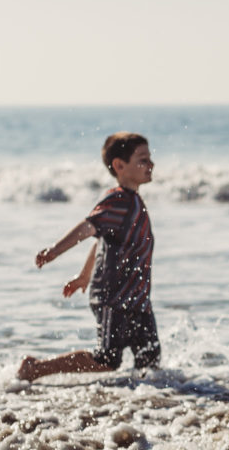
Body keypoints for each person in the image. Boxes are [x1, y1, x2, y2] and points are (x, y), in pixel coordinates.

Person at [17, 132, 159, 381]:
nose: (151, 165)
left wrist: (84, 276)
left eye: (150, 159)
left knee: (150, 359)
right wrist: (55, 250)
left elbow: (103, 242)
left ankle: (143, 403)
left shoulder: (132, 201)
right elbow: (88, 227)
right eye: (143, 160)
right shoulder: (117, 200)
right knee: (106, 360)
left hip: (137, 299)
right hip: (114, 298)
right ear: (119, 166)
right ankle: (36, 368)